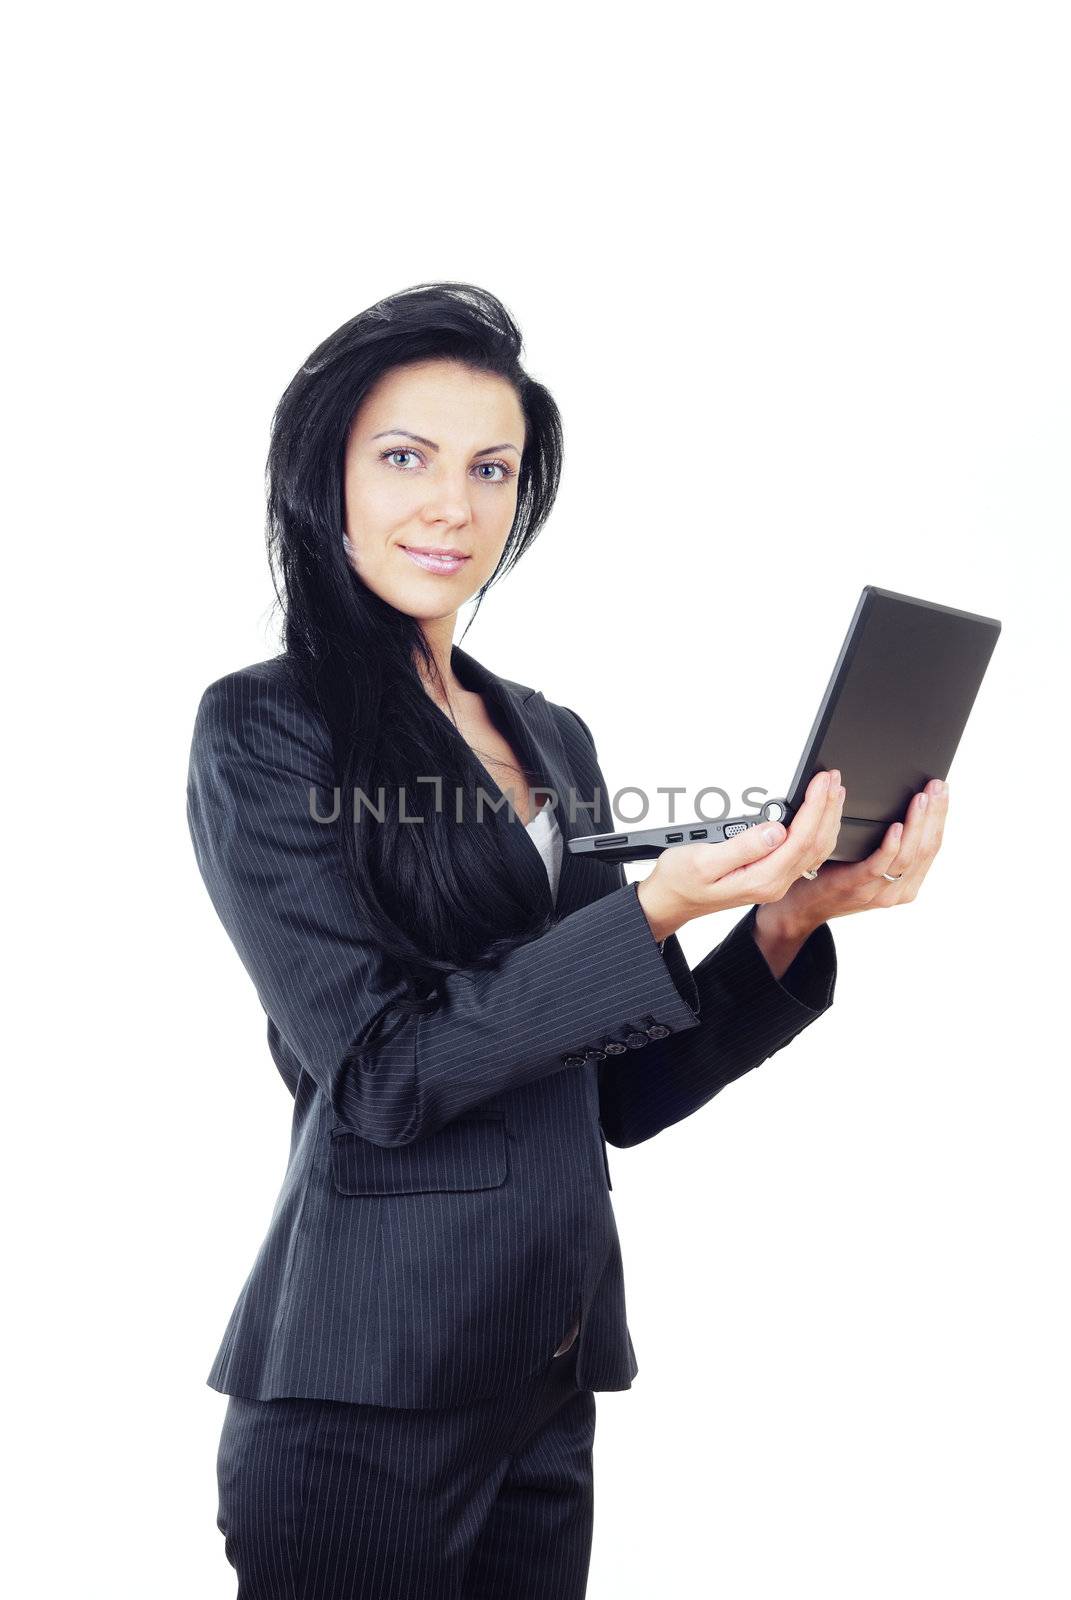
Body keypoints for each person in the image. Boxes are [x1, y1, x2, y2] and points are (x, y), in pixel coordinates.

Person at [186, 281, 949, 1598]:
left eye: (493, 469)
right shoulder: (266, 730)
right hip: (370, 1391)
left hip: (549, 1369)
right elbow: (380, 1075)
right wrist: (653, 907)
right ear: (326, 479)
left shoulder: (551, 735)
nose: (453, 506)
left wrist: (785, 923)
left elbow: (622, 1093)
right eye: (406, 458)